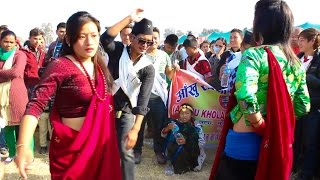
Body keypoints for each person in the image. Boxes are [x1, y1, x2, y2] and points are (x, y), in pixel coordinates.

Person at [210, 0, 310, 180]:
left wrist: (261, 126)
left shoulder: (255, 54)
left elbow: (245, 95)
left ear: (260, 25)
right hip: (278, 141)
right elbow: (303, 105)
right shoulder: (296, 63)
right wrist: (275, 125)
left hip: (246, 139)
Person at [15, 11, 121, 180]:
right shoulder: (61, 65)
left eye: (94, 35)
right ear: (70, 39)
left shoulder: (99, 64)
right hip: (72, 151)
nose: (90, 42)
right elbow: (35, 105)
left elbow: (109, 36)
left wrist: (130, 18)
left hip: (100, 147)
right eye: (82, 36)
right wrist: (22, 146)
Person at [100, 9, 155, 180]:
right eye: (141, 40)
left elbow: (143, 101)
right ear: (131, 38)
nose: (145, 45)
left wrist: (136, 129)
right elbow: (105, 38)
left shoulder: (148, 68)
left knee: (126, 153)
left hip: (126, 113)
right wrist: (129, 18)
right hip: (105, 110)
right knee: (102, 150)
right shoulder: (117, 50)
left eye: (149, 42)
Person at [133, 27, 176, 165]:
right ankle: (137, 151)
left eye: (156, 38)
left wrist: (175, 70)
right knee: (139, 126)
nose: (153, 41)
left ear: (159, 40)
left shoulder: (164, 56)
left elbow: (169, 75)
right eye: (151, 38)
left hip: (158, 98)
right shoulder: (140, 54)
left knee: (159, 127)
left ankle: (159, 151)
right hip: (141, 98)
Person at [0, 30, 29, 163]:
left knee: (24, 126)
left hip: (17, 95)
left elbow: (16, 72)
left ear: (15, 42)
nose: (8, 44)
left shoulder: (20, 55)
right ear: (0, 41)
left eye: (11, 42)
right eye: (6, 41)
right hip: (2, 98)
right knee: (7, 127)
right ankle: (12, 153)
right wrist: (6, 73)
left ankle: (26, 154)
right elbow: (10, 73)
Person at [296, 28, 320, 180]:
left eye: (302, 40)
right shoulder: (297, 58)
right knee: (296, 139)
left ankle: (307, 173)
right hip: (296, 108)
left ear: (312, 41)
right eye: (298, 40)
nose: (299, 43)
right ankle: (296, 167)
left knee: (311, 142)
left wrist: (306, 77)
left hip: (313, 108)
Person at [161, 103, 203, 174]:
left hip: (190, 151)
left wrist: (187, 141)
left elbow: (201, 144)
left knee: (196, 167)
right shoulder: (174, 123)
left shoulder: (197, 127)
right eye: (182, 113)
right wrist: (167, 128)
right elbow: (163, 135)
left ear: (192, 115)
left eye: (187, 113)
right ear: (179, 114)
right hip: (174, 148)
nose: (184, 115)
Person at [21, 28, 45, 99]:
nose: (38, 41)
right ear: (29, 38)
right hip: (26, 84)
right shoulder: (23, 52)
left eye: (40, 39)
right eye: (35, 38)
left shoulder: (41, 52)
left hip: (38, 82)